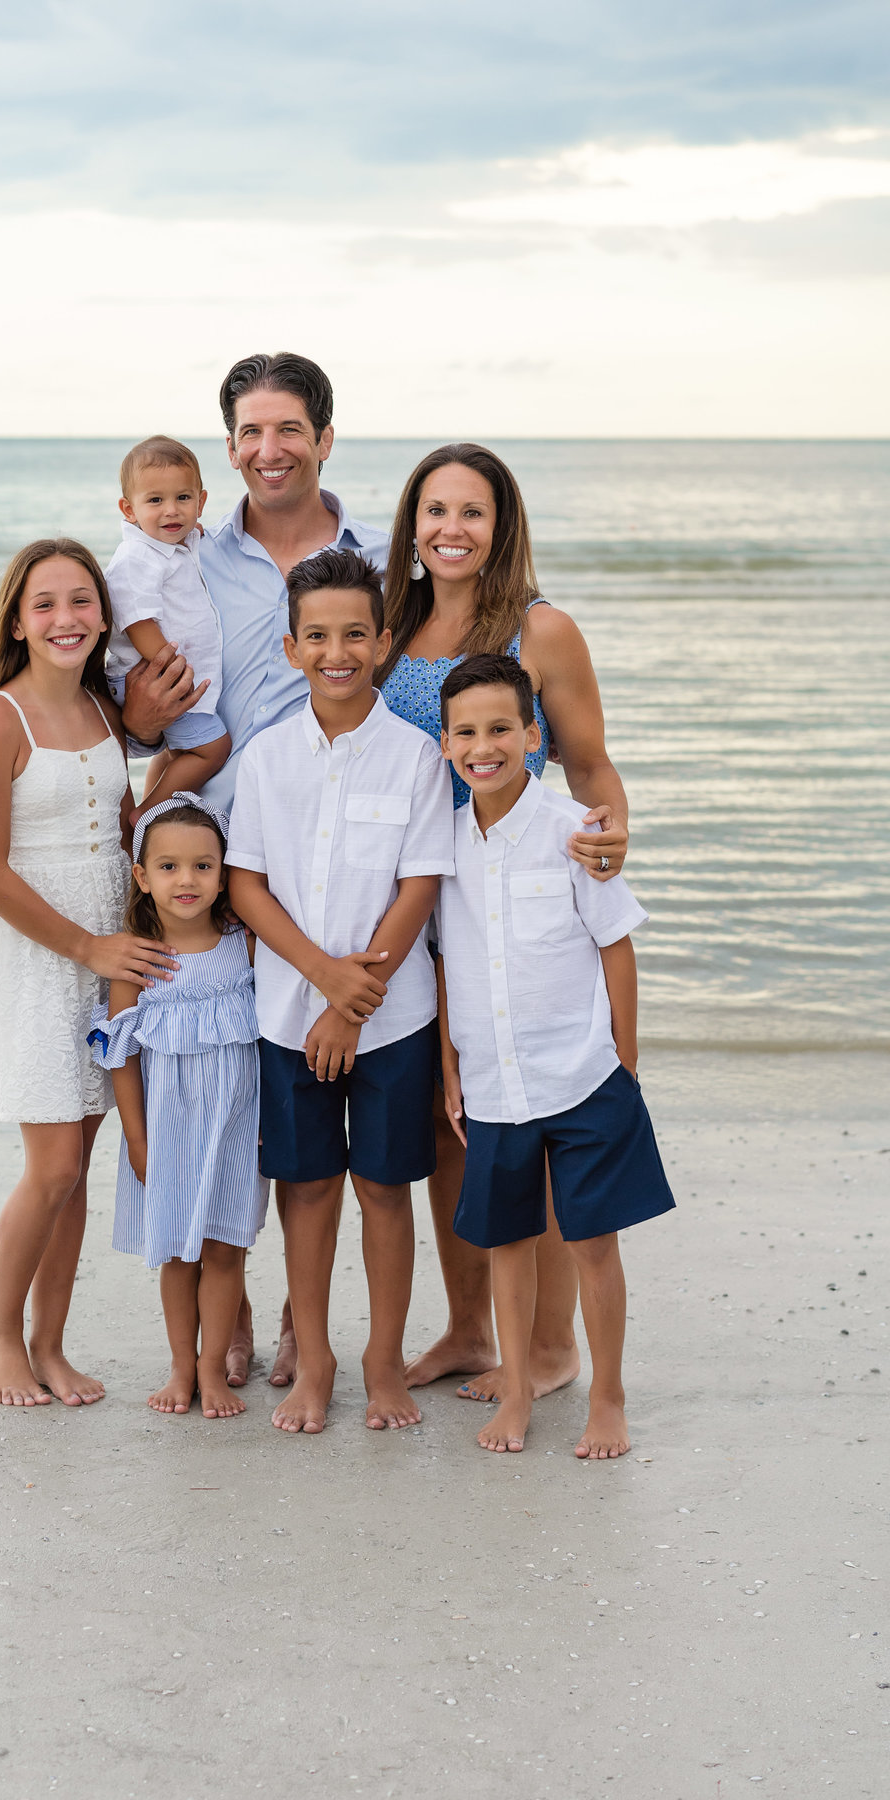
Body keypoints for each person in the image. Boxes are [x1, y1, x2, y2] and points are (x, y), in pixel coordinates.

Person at [119, 351, 388, 1388]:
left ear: (325, 437)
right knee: (234, 1097)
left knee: (325, 1116)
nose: (268, 451)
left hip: (352, 871)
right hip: (226, 880)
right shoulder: (180, 555)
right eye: (248, 433)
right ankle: (223, 1304)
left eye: (288, 430)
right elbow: (140, 701)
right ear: (229, 444)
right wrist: (137, 720)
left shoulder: (380, 553)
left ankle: (293, 1310)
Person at [377, 443, 631, 1402]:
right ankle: (471, 1330)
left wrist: (610, 842)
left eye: (472, 512)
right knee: (459, 1124)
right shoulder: (393, 623)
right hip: (429, 898)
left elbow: (590, 763)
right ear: (411, 524)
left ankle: (555, 1346)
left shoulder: (542, 628)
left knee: (550, 1122)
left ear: (502, 525)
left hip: (521, 894)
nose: (450, 529)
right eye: (434, 510)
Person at [227, 549, 454, 1433]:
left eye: (355, 634)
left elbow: (421, 886)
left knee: (385, 1190)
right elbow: (246, 886)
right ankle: (314, 1356)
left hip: (395, 1021)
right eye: (317, 636)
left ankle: (383, 1360)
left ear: (384, 642)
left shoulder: (416, 756)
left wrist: (353, 1003)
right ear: (290, 648)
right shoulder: (268, 758)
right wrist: (323, 983)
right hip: (289, 1016)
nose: (337, 652)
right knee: (310, 1188)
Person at [435, 655, 674, 1456]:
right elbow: (444, 960)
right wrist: (449, 1063)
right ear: (444, 745)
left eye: (501, 728)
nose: (484, 745)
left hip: (581, 1073)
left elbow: (616, 947)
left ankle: (608, 1396)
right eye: (466, 732)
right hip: (495, 1082)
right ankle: (516, 1388)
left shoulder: (574, 831)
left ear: (533, 736)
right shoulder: (444, 849)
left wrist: (625, 1064)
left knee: (591, 1243)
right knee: (505, 1243)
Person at [0, 539, 178, 1408]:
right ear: (18, 620)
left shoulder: (101, 708)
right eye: (45, 604)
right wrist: (85, 949)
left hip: (106, 952)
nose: (65, 619)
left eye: (82, 601)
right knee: (50, 1167)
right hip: (37, 957)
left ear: (103, 614)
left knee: (78, 1160)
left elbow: (124, 828)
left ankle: (52, 1343)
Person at [92, 797, 268, 1421]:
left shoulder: (244, 949)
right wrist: (138, 1140)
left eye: (202, 866)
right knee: (177, 1252)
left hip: (233, 1130)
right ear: (142, 876)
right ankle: (179, 1368)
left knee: (223, 1248)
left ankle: (214, 1368)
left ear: (225, 874)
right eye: (168, 866)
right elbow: (121, 1059)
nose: (186, 880)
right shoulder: (134, 961)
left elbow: (267, 1047)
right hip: (163, 1131)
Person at [102, 437, 230, 819]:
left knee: (181, 752)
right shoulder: (136, 557)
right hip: (158, 678)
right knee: (213, 749)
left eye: (183, 499)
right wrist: (170, 669)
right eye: (155, 501)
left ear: (201, 502)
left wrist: (193, 532)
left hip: (171, 676)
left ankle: (157, 804)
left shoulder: (178, 541)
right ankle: (149, 814)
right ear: (129, 509)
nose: (171, 511)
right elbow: (138, 620)